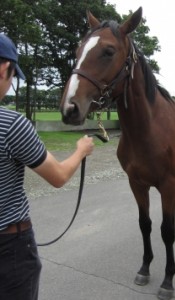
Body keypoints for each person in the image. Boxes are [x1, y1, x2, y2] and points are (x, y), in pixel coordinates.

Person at [0, 33, 94, 300]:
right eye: (13, 76)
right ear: (5, 68)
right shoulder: (12, 125)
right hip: (10, 248)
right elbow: (59, 176)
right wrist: (80, 151)